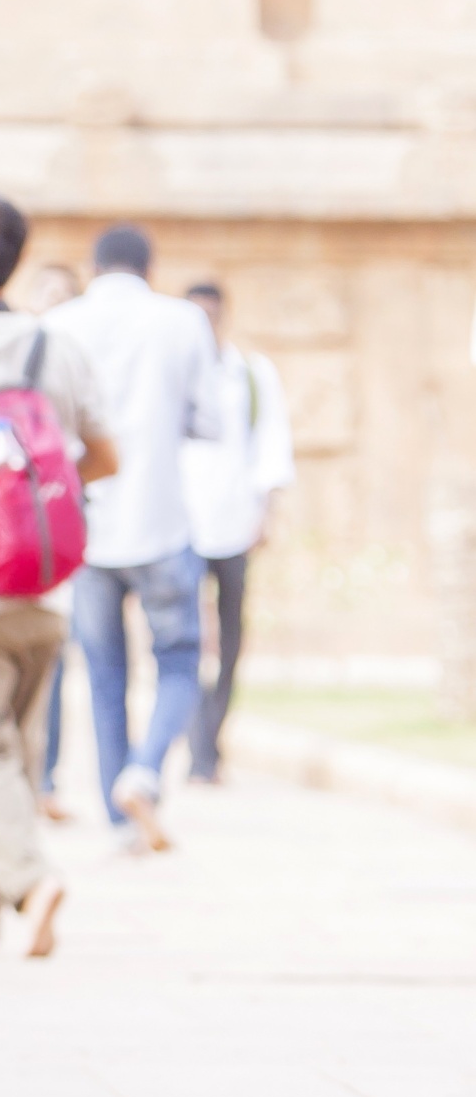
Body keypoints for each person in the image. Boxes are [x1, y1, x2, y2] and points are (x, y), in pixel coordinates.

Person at [0, 196, 115, 957]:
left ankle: (33, 881)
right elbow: (106, 457)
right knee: (8, 757)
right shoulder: (56, 348)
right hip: (45, 586)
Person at [46, 223, 222, 851]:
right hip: (161, 522)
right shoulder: (181, 321)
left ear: (95, 268)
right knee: (178, 661)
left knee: (103, 674)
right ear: (149, 268)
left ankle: (120, 822)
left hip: (89, 529)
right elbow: (209, 419)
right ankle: (144, 772)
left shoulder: (62, 324)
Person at [181, 280, 295, 783]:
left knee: (230, 637)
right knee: (182, 640)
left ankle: (210, 737)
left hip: (234, 525)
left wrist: (266, 513)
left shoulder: (250, 374)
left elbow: (271, 444)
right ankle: (197, 746)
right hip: (181, 529)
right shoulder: (171, 375)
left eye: (212, 314)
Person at [21, 263, 83, 821]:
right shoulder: (9, 350)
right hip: (4, 538)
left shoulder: (68, 357)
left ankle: (42, 780)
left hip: (53, 544)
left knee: (52, 667)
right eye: (46, 294)